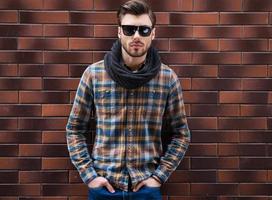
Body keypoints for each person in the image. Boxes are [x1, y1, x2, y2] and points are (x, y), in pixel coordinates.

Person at [66, 0, 190, 199]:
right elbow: (74, 129)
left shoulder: (167, 79)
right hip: (104, 187)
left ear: (153, 34)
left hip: (146, 189)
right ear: (119, 32)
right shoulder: (94, 74)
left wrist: (158, 177)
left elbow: (181, 134)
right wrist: (90, 177)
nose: (136, 36)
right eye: (130, 29)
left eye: (144, 30)